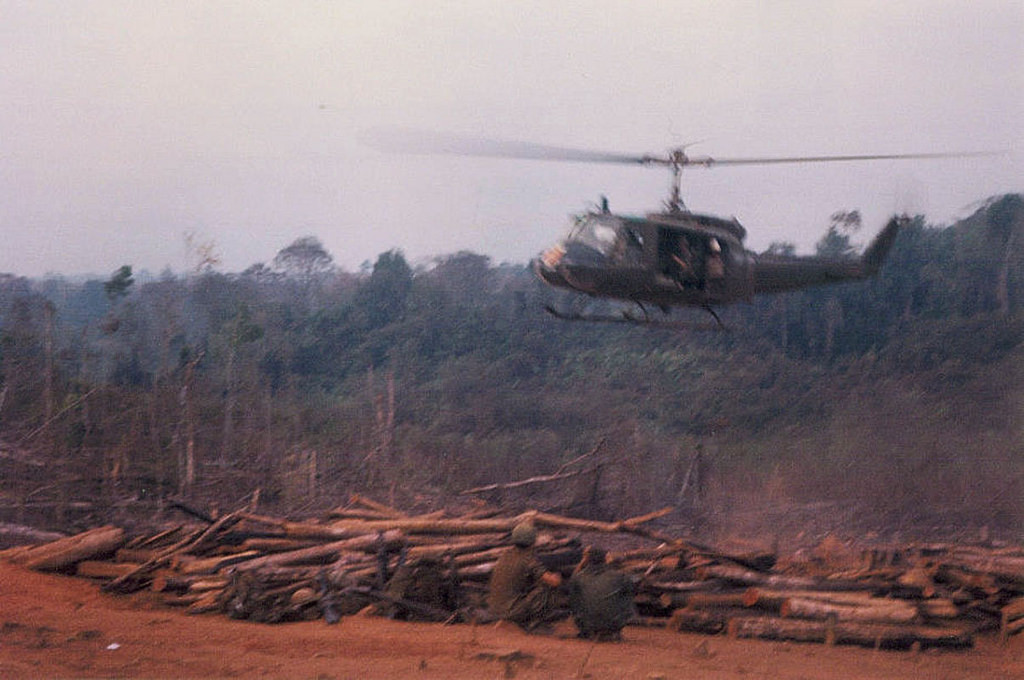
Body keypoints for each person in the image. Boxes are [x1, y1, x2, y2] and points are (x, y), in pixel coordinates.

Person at [486, 521, 563, 631]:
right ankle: (535, 624)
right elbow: (554, 582)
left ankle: (512, 619)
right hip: (510, 610)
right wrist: (557, 576)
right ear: (533, 541)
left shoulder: (505, 555)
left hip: (495, 608)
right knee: (547, 588)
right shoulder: (528, 559)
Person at [567, 546, 635, 641]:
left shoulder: (578, 577)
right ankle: (613, 630)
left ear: (586, 560)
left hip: (586, 624)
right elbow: (631, 588)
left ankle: (589, 630)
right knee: (625, 593)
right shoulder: (620, 576)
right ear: (605, 558)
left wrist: (582, 562)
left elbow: (572, 588)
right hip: (613, 623)